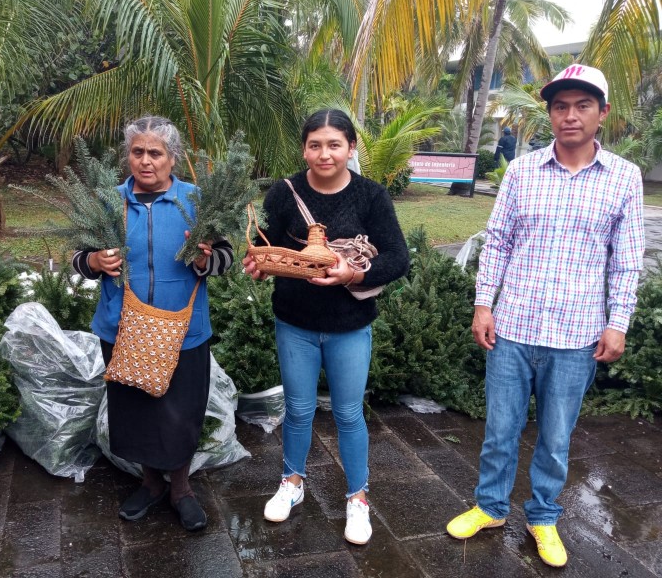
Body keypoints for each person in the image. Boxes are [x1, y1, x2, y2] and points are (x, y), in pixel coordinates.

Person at [445, 65, 645, 567]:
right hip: (513, 328)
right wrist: (483, 304)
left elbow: (626, 258)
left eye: (582, 106)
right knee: (499, 431)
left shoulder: (624, 177)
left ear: (602, 113)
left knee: (556, 439)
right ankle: (490, 507)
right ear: (550, 114)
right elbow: (499, 243)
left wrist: (617, 322)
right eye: (560, 106)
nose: (570, 116)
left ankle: (543, 517)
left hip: (577, 335)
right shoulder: (521, 171)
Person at [242, 109, 410, 545]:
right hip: (294, 321)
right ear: (304, 148)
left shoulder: (371, 196)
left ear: (351, 148)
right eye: (315, 144)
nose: (324, 153)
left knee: (349, 413)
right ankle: (291, 484)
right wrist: (259, 265)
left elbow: (397, 258)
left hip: (350, 325)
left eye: (335, 144)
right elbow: (269, 244)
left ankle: (358, 499)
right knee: (298, 410)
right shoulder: (285, 193)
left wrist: (354, 275)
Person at [72, 116, 233, 531]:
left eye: (155, 153)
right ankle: (150, 484)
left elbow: (227, 256)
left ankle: (181, 489)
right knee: (139, 412)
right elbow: (78, 256)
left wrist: (205, 260)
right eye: (137, 152)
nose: (145, 161)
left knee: (181, 413)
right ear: (128, 156)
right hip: (122, 328)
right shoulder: (109, 203)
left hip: (184, 331)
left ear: (172, 159)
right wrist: (93, 261)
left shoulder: (197, 200)